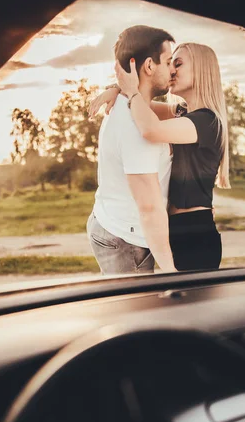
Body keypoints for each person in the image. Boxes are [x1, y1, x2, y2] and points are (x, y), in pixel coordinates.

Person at [89, 42, 230, 271]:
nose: (171, 70)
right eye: (170, 63)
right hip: (177, 230)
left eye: (179, 63)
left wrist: (131, 91)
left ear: (202, 70)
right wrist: (118, 90)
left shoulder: (208, 122)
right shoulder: (184, 113)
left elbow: (150, 129)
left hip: (195, 237)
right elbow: (143, 106)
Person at [87, 25, 177, 275]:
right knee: (134, 312)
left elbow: (174, 112)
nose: (173, 70)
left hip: (112, 221)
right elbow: (149, 208)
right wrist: (171, 272)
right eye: (169, 61)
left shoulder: (131, 104)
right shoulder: (135, 127)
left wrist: (118, 89)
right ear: (149, 66)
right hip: (125, 239)